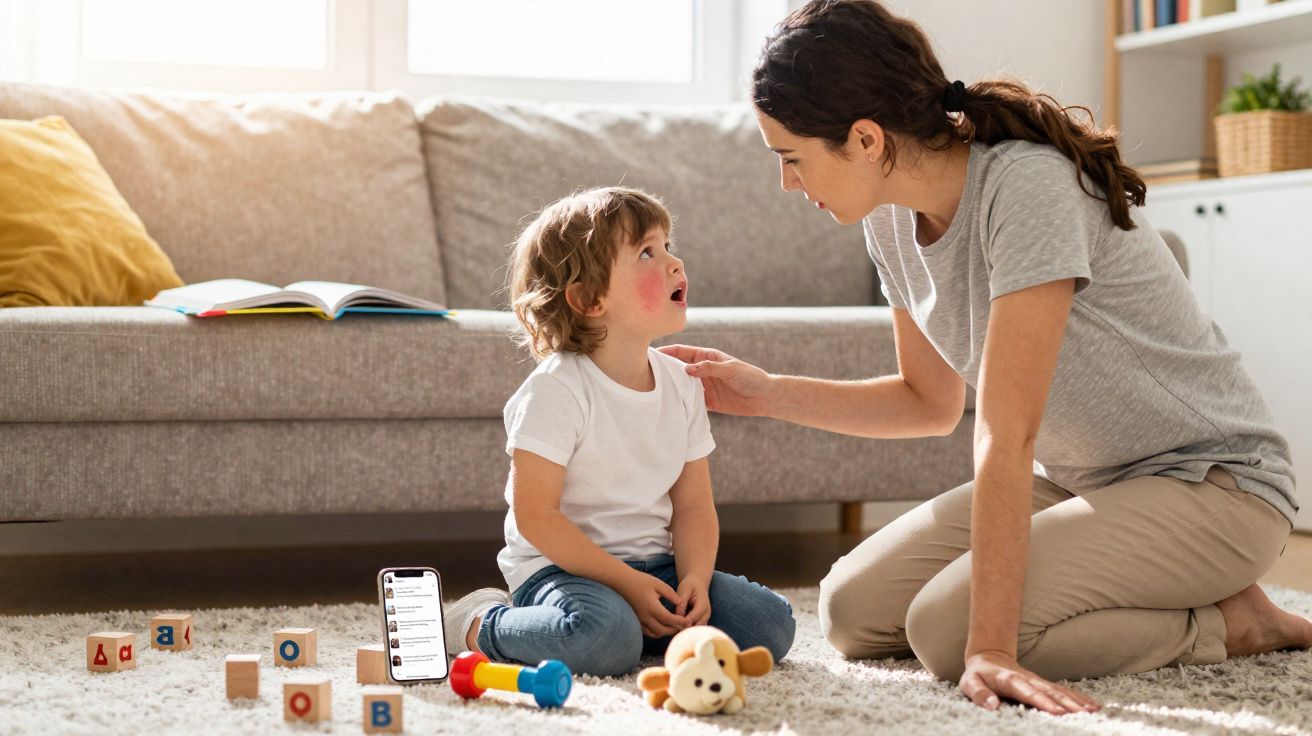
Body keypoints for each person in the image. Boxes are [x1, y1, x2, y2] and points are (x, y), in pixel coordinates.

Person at [661, 0, 1310, 716]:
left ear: (867, 138)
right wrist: (767, 393)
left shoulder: (1026, 186)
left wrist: (991, 649)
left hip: (1216, 485)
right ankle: (1180, 589)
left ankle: (1230, 622)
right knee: (851, 611)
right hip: (1089, 481)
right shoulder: (887, 223)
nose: (788, 183)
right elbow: (927, 402)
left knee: (947, 633)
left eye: (792, 159)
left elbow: (1007, 434)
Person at [442, 186, 796, 677]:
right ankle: (480, 622)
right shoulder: (557, 389)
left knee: (771, 626)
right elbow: (536, 517)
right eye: (648, 252)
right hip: (563, 571)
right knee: (605, 641)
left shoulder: (682, 382)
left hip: (656, 565)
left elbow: (694, 506)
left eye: (669, 246)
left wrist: (693, 577)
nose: (675, 263)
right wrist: (626, 584)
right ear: (589, 299)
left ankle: (643, 627)